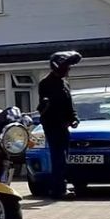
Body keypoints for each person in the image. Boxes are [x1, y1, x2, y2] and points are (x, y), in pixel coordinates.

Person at [38, 50, 82, 199]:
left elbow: (69, 105)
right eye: (67, 67)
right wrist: (44, 106)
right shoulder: (45, 83)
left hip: (64, 126)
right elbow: (44, 107)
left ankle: (60, 186)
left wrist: (74, 118)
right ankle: (58, 189)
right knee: (58, 158)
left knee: (64, 157)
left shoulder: (65, 84)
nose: (69, 70)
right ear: (58, 67)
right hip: (52, 126)